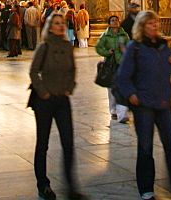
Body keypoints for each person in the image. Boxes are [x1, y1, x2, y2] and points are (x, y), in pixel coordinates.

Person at [116, 9, 171, 200]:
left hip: (163, 103)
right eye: (150, 23)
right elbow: (123, 76)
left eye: (156, 23)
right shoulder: (135, 47)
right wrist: (131, 94)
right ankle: (146, 190)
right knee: (145, 148)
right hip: (144, 104)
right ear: (142, 26)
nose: (154, 26)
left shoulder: (163, 46)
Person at [29, 11, 87, 200]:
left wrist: (69, 88)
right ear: (50, 27)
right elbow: (33, 71)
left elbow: (72, 71)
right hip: (44, 101)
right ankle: (43, 185)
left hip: (62, 100)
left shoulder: (67, 46)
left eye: (62, 23)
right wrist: (43, 91)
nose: (60, 26)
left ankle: (71, 187)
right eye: (56, 23)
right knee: (43, 144)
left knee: (68, 143)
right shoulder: (44, 47)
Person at [96, 14, 130, 122]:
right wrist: (107, 52)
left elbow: (130, 47)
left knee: (123, 87)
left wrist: (125, 50)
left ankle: (123, 112)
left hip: (121, 63)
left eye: (116, 20)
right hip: (110, 64)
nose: (115, 22)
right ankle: (113, 110)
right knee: (111, 88)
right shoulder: (105, 36)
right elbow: (98, 47)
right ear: (109, 24)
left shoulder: (123, 35)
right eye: (112, 20)